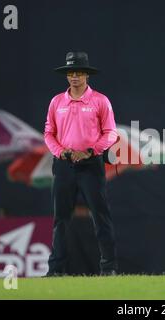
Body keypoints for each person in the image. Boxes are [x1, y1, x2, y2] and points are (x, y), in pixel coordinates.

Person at [44, 51, 118, 276]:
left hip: (91, 165)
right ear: (66, 75)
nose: (74, 77)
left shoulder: (100, 100)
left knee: (100, 216)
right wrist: (62, 152)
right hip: (64, 165)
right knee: (61, 220)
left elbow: (110, 133)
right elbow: (49, 133)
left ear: (87, 75)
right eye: (70, 72)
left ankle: (109, 267)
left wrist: (90, 151)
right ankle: (56, 270)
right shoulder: (57, 102)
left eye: (79, 72)